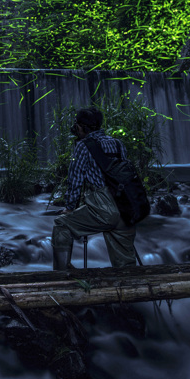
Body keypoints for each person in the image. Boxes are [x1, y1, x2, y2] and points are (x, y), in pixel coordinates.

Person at [51, 106, 138, 270]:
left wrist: (70, 208)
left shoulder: (84, 146)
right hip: (126, 208)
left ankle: (61, 276)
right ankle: (130, 286)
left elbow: (75, 180)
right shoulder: (118, 144)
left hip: (104, 210)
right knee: (125, 264)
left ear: (80, 126)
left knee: (61, 225)